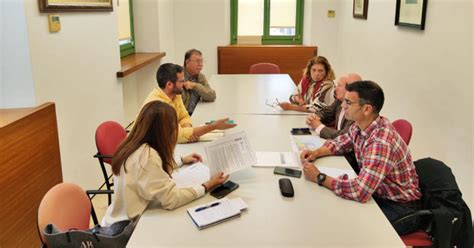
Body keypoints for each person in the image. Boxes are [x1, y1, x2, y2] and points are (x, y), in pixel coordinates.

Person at [300, 80, 422, 235]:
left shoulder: (381, 142)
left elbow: (360, 191)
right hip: (377, 192)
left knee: (346, 229)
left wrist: (319, 177)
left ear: (366, 109)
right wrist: (316, 153)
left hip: (399, 207)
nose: (343, 106)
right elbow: (340, 143)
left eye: (348, 103)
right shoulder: (361, 125)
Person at [102, 101, 229, 226]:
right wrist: (208, 185)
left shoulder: (131, 144)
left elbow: (149, 171)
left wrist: (181, 160)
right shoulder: (147, 156)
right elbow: (172, 200)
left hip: (115, 217)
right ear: (162, 131)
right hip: (130, 228)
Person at [141, 63, 236, 143]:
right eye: (181, 81)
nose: (184, 83)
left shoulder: (175, 94)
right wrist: (214, 126)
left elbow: (184, 116)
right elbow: (177, 136)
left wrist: (187, 130)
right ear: (169, 85)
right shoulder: (158, 105)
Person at [306, 73, 362, 139]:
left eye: (339, 85)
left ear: (351, 89)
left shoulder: (357, 109)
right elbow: (326, 113)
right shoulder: (339, 101)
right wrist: (314, 117)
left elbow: (343, 136)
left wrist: (318, 126)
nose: (335, 89)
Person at [182, 49, 216, 115]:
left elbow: (211, 96)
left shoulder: (200, 77)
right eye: (197, 61)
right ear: (187, 62)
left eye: (201, 61)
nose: (200, 64)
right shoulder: (178, 77)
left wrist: (195, 86)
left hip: (196, 113)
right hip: (182, 117)